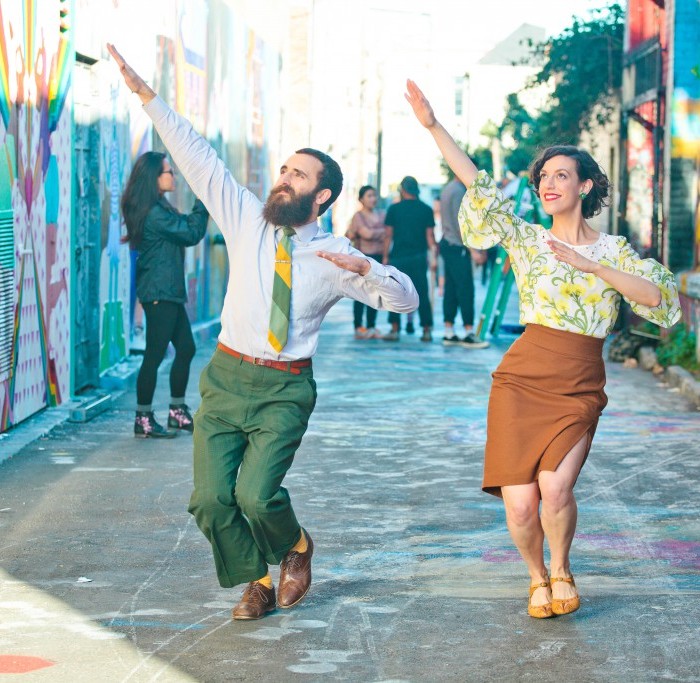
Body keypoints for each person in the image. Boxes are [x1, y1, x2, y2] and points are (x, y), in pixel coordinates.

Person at [108, 44, 418, 621]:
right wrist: (147, 96)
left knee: (255, 495)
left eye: (297, 175)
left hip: (284, 388)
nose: (283, 179)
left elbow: (406, 300)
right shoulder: (247, 218)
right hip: (227, 377)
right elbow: (198, 156)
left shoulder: (335, 254)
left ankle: (296, 546)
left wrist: (368, 268)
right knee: (209, 499)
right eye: (283, 170)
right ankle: (256, 580)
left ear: (321, 196)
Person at [405, 79, 680, 618]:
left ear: (585, 185)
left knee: (555, 489)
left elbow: (658, 299)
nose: (549, 184)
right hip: (521, 379)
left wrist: (594, 267)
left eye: (561, 175)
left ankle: (561, 568)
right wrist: (434, 126)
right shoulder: (529, 239)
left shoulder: (614, 250)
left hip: (578, 384)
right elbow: (477, 183)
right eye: (543, 177)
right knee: (521, 504)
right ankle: (536, 576)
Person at [121, 151, 209, 438]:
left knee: (186, 348)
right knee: (154, 354)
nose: (174, 176)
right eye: (169, 172)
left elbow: (187, 228)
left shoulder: (159, 207)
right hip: (160, 292)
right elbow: (191, 232)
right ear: (154, 177)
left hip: (167, 291)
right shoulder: (154, 213)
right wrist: (203, 199)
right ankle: (143, 418)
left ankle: (176, 412)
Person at [382, 176, 436, 342]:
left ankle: (394, 329)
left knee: (395, 293)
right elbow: (430, 237)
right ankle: (426, 330)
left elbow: (388, 236)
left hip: (398, 258)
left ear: (402, 190)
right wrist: (434, 257)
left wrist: (385, 257)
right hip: (419, 257)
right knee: (422, 293)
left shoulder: (394, 209)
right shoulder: (426, 209)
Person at [439, 176, 489, 348]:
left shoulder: (448, 188)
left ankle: (449, 331)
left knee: (451, 289)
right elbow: (461, 224)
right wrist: (473, 250)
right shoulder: (459, 191)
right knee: (465, 289)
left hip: (448, 243)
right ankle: (468, 333)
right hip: (458, 246)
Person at [346, 185, 386, 339]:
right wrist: (382, 233)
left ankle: (371, 326)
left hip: (379, 258)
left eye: (374, 195)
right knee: (360, 293)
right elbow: (367, 234)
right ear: (361, 199)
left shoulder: (382, 214)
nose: (373, 199)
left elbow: (387, 233)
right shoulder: (358, 216)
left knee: (376, 293)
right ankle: (358, 327)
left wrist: (377, 233)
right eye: (369, 196)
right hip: (363, 259)